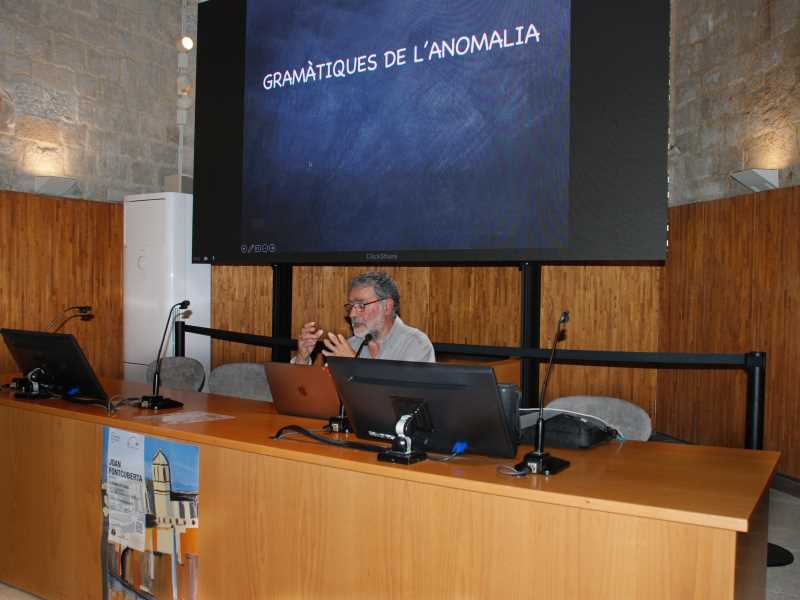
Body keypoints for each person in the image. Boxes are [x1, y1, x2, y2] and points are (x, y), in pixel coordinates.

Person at [293, 271, 435, 364]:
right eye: (351, 306)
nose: (352, 314)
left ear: (387, 307)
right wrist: (302, 357)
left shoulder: (416, 344)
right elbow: (322, 396)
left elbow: (405, 399)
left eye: (361, 305)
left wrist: (355, 363)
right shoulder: (351, 345)